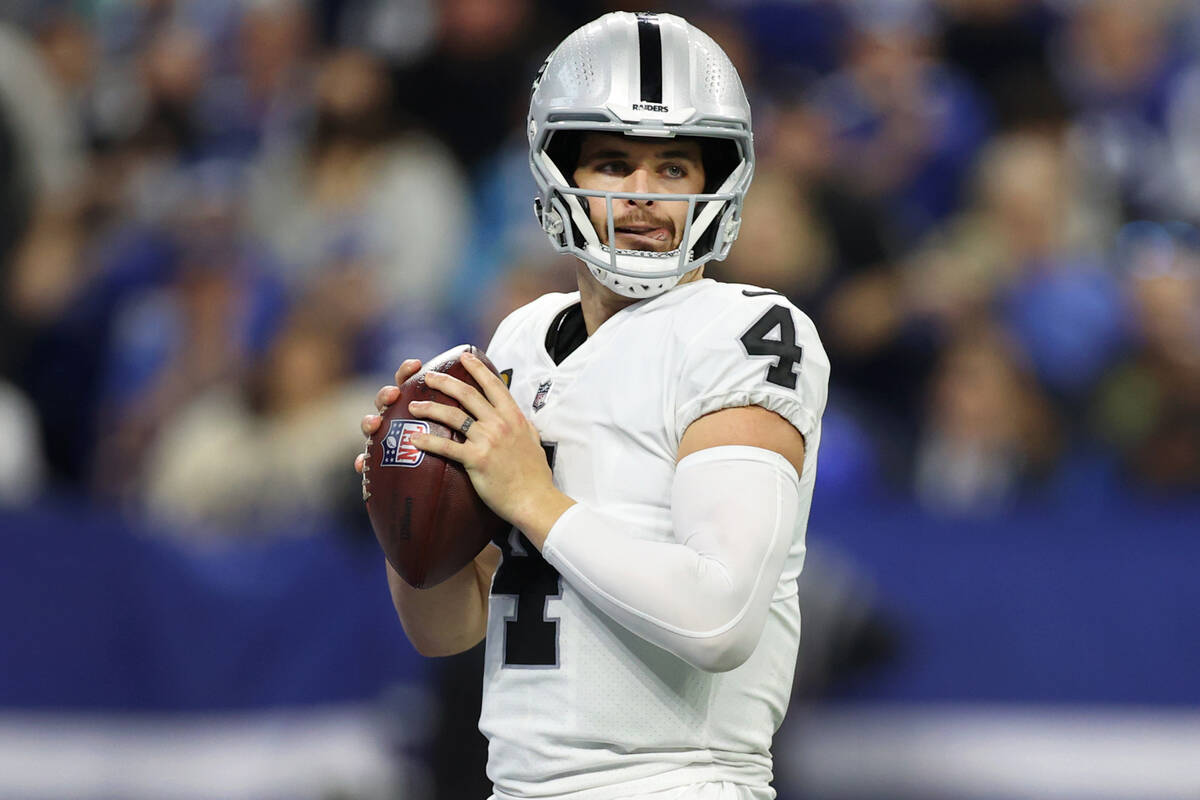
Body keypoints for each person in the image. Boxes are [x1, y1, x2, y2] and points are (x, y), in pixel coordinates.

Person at [355, 13, 829, 800]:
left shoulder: (744, 329)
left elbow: (718, 618)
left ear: (716, 184)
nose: (643, 197)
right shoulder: (523, 337)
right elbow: (449, 631)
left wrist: (532, 498)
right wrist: (407, 511)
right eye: (613, 163)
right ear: (554, 171)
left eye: (674, 169)